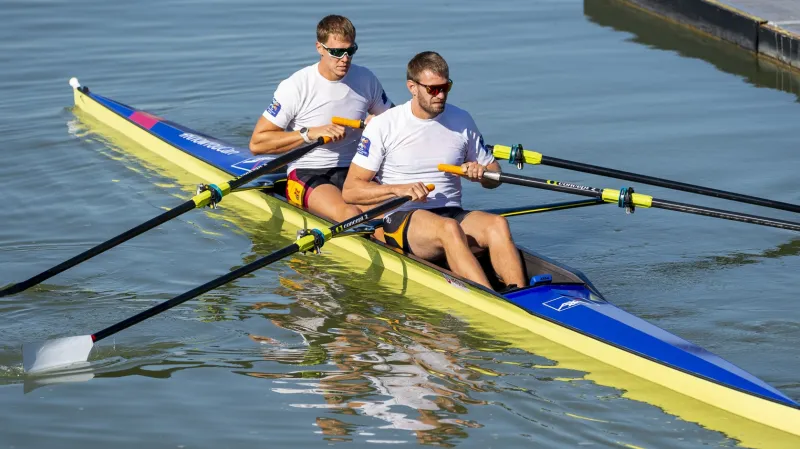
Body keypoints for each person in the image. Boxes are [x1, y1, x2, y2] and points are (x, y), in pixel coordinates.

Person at [341, 51, 526, 291]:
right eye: (433, 89)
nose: (441, 95)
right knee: (449, 230)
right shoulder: (384, 125)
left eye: (445, 87)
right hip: (401, 217)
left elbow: (494, 175)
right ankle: (493, 301)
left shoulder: (462, 119)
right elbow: (351, 190)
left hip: (450, 213)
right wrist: (399, 189)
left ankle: (521, 294)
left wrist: (481, 173)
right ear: (412, 87)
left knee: (497, 224)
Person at [249, 15, 393, 222]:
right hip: (308, 170)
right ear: (320, 48)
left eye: (350, 51)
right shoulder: (296, 86)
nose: (345, 59)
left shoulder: (366, 79)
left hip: (354, 171)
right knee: (350, 215)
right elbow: (257, 143)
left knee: (393, 211)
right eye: (336, 52)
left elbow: (395, 120)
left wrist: (380, 124)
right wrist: (309, 134)